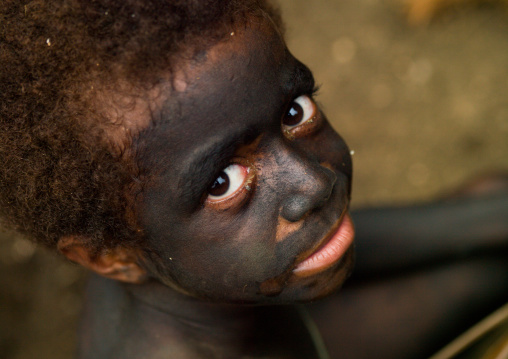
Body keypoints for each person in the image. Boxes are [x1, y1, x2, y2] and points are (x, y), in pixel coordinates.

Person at [1, 1, 507, 358]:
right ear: (108, 257)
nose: (313, 183)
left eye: (295, 110)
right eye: (222, 182)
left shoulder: (168, 242)